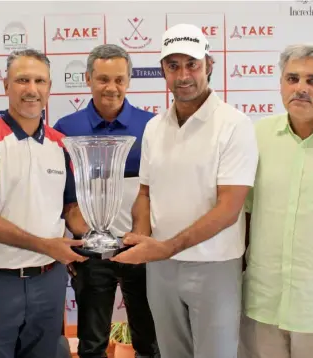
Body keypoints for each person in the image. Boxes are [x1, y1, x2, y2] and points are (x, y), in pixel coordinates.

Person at [111, 24, 259, 358]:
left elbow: (229, 209)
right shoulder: (153, 127)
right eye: (173, 65)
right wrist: (140, 238)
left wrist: (164, 247)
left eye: (191, 64)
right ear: (163, 69)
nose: (183, 75)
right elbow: (146, 193)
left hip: (214, 266)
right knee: (170, 352)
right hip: (161, 269)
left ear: (209, 65)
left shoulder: (234, 125)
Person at [0, 48, 88, 358]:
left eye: (39, 81)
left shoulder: (62, 144)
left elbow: (71, 210)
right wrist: (48, 246)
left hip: (49, 281)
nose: (32, 90)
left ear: (49, 87)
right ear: (5, 86)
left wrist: (100, 233)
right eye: (22, 80)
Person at [54, 44, 159, 358]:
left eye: (119, 79)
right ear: (87, 79)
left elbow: (154, 191)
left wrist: (144, 241)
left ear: (128, 81)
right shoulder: (65, 129)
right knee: (91, 343)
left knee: (149, 342)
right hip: (90, 251)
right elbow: (60, 193)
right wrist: (72, 240)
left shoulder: (152, 127)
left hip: (139, 247)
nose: (111, 88)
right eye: (102, 79)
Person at [238, 43, 313, 358]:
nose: (301, 88)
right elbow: (243, 213)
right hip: (262, 303)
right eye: (293, 78)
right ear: (280, 84)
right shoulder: (256, 136)